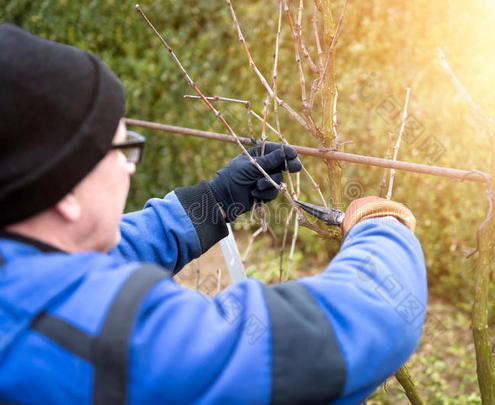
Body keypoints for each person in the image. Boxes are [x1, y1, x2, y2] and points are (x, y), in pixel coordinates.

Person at [0, 24, 427, 405]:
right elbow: (331, 343)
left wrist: (215, 201)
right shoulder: (97, 336)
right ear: (66, 193)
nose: (131, 165)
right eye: (124, 148)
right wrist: (383, 228)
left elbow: (115, 247)